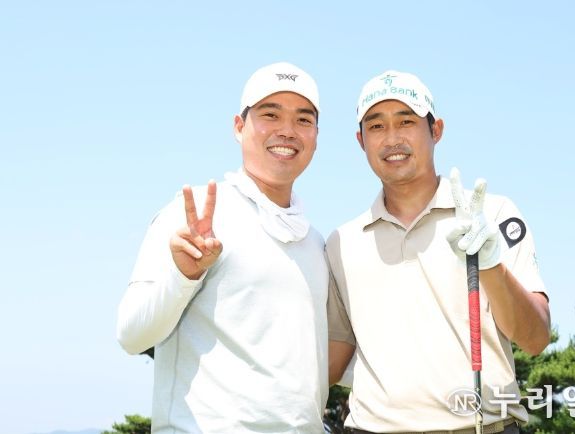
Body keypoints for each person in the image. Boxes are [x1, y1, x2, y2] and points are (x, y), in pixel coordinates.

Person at [326, 70, 551, 433]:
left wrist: (490, 265)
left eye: (406, 121)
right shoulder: (341, 241)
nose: (392, 138)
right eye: (377, 126)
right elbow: (333, 360)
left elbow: (535, 338)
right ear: (360, 140)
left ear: (436, 130)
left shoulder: (491, 214)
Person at [117, 62, 329, 434]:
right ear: (238, 126)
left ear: (315, 135)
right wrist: (184, 275)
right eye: (270, 114)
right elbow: (132, 335)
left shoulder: (315, 243)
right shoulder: (196, 215)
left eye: (303, 119)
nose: (287, 130)